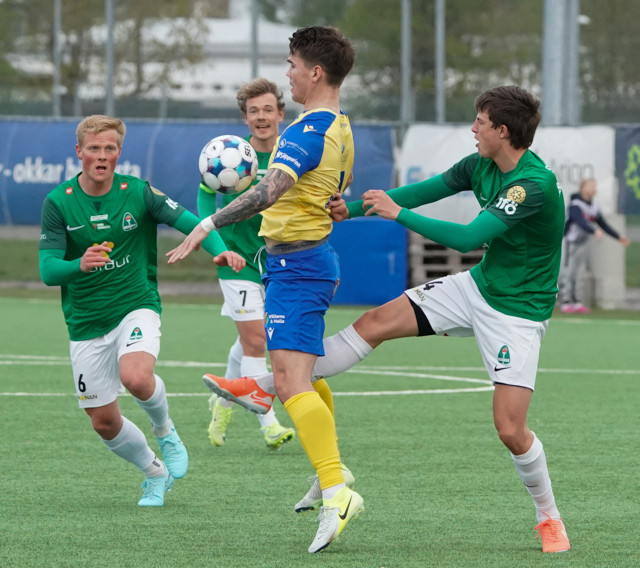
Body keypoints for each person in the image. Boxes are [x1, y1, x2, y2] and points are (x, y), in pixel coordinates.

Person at [203, 86, 572, 554]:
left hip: (516, 314)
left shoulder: (531, 185)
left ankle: (549, 516)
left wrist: (397, 215)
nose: (473, 128)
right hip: (476, 287)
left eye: (480, 122)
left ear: (502, 130)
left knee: (510, 429)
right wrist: (353, 209)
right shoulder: (479, 164)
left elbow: (468, 238)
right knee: (374, 323)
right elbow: (425, 190)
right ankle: (265, 386)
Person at [168, 26, 362, 554]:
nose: (288, 73)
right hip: (296, 262)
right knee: (299, 374)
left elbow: (268, 192)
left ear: (315, 72)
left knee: (291, 381)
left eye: (292, 64)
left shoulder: (304, 132)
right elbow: (338, 186)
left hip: (299, 267)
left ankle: (337, 490)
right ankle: (330, 467)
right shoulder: (341, 125)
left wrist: (207, 224)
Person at [39, 115, 245, 507]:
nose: (102, 155)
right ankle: (154, 473)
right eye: (94, 148)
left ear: (119, 152)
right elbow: (48, 270)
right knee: (103, 422)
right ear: (79, 151)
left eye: (110, 148)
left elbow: (190, 221)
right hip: (85, 322)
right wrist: (79, 264)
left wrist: (219, 251)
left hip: (136, 305)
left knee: (135, 377)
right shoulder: (58, 202)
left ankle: (165, 430)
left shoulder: (139, 192)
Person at [198, 78, 295, 450]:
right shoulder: (230, 155)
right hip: (236, 262)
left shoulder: (291, 155)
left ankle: (223, 402)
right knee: (257, 340)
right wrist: (220, 248)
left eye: (268, 109)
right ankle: (269, 424)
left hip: (278, 261)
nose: (261, 117)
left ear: (280, 114)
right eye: (254, 111)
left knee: (251, 338)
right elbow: (204, 204)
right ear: (245, 118)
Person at [559, 178, 630, 313]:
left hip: (583, 243)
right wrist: (593, 231)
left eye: (594, 186)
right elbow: (579, 221)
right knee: (568, 272)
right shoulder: (575, 204)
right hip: (570, 243)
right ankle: (565, 301)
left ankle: (577, 302)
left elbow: (603, 224)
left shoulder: (594, 207)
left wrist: (618, 237)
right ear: (583, 188)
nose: (594, 189)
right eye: (591, 186)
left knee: (580, 273)